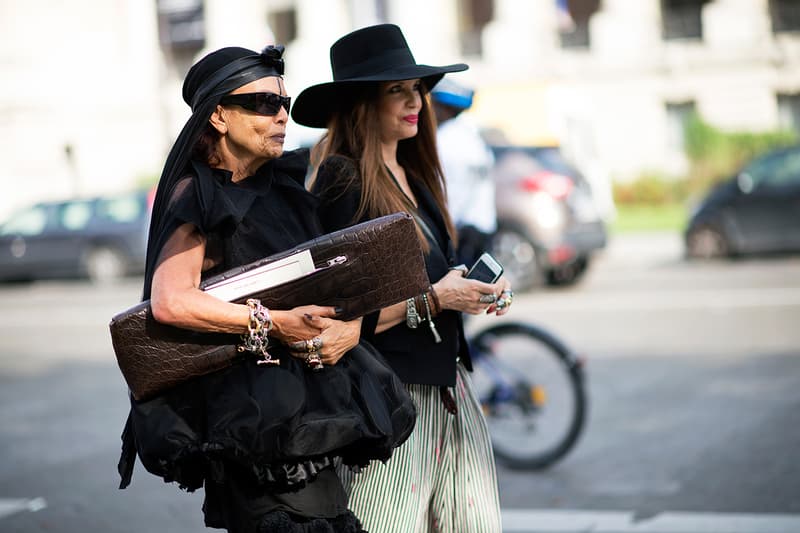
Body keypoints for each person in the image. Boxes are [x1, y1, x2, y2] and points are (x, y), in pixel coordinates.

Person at [116, 44, 413, 533]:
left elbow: (318, 279)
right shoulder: (198, 193)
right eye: (262, 105)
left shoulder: (284, 183)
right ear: (218, 116)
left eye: (285, 105)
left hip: (303, 417)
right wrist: (273, 323)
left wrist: (346, 329)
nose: (280, 117)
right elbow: (172, 302)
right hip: (251, 427)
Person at [292, 24, 514, 533]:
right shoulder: (343, 178)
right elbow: (338, 311)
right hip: (389, 401)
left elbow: (439, 277)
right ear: (361, 103)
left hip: (450, 392)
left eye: (417, 88)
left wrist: (474, 292)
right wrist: (435, 300)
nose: (414, 101)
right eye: (397, 90)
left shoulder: (416, 176)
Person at [431, 78, 497, 267]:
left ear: (444, 108)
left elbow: (450, 190)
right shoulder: (473, 136)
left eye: (434, 105)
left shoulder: (444, 139)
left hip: (461, 229)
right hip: (484, 224)